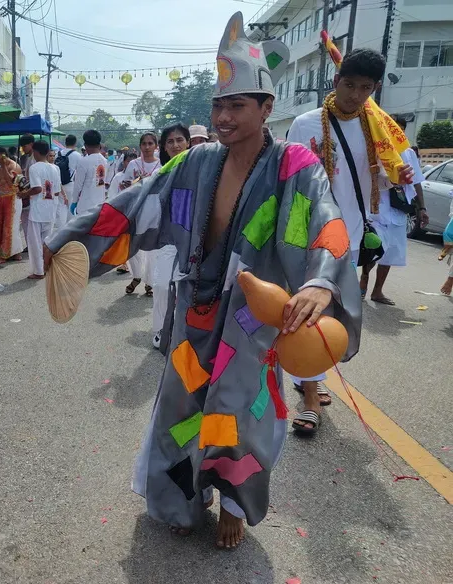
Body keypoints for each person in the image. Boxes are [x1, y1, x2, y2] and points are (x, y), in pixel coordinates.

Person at [43, 13, 361, 548]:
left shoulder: (295, 164)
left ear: (266, 108)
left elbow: (327, 220)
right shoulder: (196, 162)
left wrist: (321, 282)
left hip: (251, 321)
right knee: (182, 408)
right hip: (195, 310)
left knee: (238, 411)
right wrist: (67, 241)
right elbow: (133, 204)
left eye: (237, 105)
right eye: (218, 105)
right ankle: (182, 497)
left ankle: (234, 502)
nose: (224, 116)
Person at [287, 48, 414, 433]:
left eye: (365, 88)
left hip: (352, 234)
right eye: (349, 84)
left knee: (336, 311)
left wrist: (399, 176)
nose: (356, 95)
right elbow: (289, 181)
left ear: (374, 89)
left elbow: (379, 180)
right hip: (311, 233)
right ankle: (310, 395)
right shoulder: (306, 124)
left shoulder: (376, 129)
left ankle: (309, 372)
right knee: (312, 310)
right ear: (335, 81)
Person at [359, 115, 427, 304]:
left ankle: (377, 291)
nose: (399, 132)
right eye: (395, 128)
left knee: (391, 253)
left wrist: (422, 207)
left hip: (399, 209)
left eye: (402, 129)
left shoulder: (408, 153)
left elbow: (418, 182)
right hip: (377, 207)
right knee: (374, 248)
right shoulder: (376, 148)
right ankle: (363, 280)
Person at [149, 123, 191, 349]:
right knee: (162, 285)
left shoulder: (202, 171)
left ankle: (184, 333)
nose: (176, 145)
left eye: (180, 140)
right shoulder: (160, 174)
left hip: (197, 241)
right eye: (170, 141)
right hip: (169, 240)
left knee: (189, 289)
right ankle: (160, 330)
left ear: (188, 142)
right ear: (164, 147)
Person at [123, 132, 162, 298]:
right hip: (135, 209)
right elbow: (125, 185)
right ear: (140, 146)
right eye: (144, 144)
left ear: (156, 146)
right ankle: (137, 276)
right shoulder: (133, 164)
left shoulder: (162, 164)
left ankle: (150, 282)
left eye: (150, 144)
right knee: (134, 245)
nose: (147, 147)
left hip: (154, 209)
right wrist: (136, 183)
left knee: (153, 248)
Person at [22, 141, 57, 280]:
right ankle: (47, 266)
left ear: (36, 152)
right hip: (50, 208)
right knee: (47, 241)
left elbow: (37, 188)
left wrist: (23, 194)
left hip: (37, 210)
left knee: (35, 242)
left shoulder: (34, 167)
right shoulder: (55, 168)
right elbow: (57, 191)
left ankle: (38, 271)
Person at [71, 129, 109, 217]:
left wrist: (74, 202)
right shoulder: (105, 161)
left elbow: (78, 185)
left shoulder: (83, 162)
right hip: (100, 204)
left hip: (85, 206)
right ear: (99, 145)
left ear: (85, 145)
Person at [47, 148, 69, 232]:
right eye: (50, 156)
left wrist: (64, 195)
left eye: (53, 156)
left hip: (54, 196)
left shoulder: (56, 168)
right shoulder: (42, 167)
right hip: (46, 196)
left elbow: (59, 183)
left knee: (54, 218)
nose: (52, 158)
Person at [60, 134, 82, 220]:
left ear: (65, 142)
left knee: (61, 207)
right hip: (70, 184)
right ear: (75, 143)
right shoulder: (77, 155)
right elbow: (79, 173)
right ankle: (68, 228)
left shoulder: (58, 153)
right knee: (70, 208)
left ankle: (60, 228)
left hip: (59, 185)